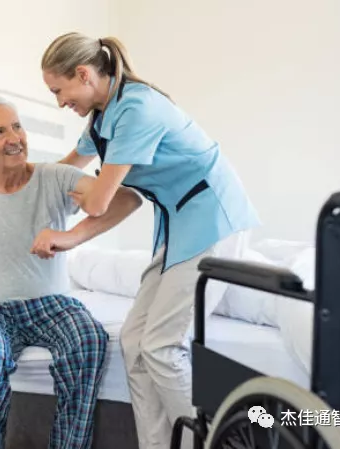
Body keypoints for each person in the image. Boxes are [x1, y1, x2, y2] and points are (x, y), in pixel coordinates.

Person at [41, 32, 261, 449]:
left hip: (213, 220)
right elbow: (66, 169)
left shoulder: (136, 109)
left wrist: (66, 234)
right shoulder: (102, 118)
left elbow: (100, 201)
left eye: (58, 90)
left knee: (161, 346)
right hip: (179, 226)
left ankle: (217, 442)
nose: (59, 102)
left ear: (83, 74)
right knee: (133, 342)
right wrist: (22, 186)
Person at [0, 96, 143, 449]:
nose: (15, 138)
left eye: (17, 126)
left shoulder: (56, 177)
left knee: (89, 340)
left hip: (51, 304)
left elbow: (128, 200)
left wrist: (71, 236)